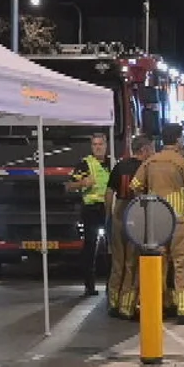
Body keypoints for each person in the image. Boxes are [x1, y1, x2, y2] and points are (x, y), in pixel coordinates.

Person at [131, 123, 184, 324]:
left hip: (156, 225)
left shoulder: (150, 162)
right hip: (179, 223)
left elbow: (135, 187)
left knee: (157, 267)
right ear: (179, 139)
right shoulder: (182, 162)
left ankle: (156, 309)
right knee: (182, 266)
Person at [104, 135, 154, 319]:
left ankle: (113, 302)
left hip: (119, 212)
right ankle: (127, 306)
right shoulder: (145, 168)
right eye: (151, 149)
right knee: (131, 263)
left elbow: (109, 193)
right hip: (136, 213)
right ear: (144, 150)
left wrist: (109, 216)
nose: (153, 153)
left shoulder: (119, 166)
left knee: (117, 262)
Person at [71, 133, 113, 298]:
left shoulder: (112, 162)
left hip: (109, 209)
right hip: (91, 210)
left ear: (106, 145)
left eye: (100, 144)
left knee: (112, 249)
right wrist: (82, 183)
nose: (98, 147)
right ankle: (89, 286)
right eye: (95, 144)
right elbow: (69, 186)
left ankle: (112, 285)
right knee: (90, 248)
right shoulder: (84, 164)